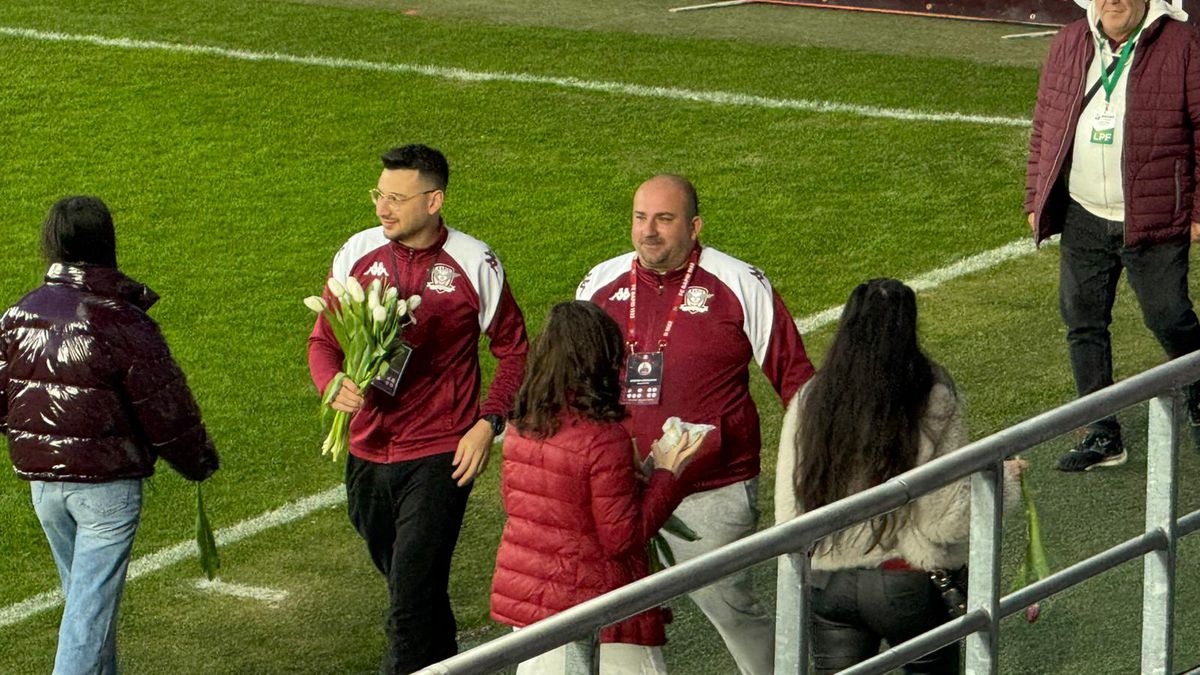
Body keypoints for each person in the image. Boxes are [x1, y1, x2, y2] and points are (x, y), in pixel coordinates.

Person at [576, 174, 814, 675]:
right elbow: (574, 377)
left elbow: (795, 379)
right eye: (640, 218)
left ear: (694, 225)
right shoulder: (599, 284)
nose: (649, 232)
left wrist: (817, 465)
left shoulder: (739, 283)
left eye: (664, 219)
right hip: (621, 487)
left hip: (710, 488)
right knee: (613, 615)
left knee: (730, 608)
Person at [308, 144, 528, 674]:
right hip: (364, 448)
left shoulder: (475, 263)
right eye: (379, 195)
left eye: (396, 199)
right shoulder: (357, 253)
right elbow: (323, 342)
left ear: (434, 201)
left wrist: (487, 422)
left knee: (407, 605)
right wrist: (331, 381)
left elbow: (515, 350)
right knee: (417, 591)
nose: (383, 208)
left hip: (439, 453)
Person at [0, 195, 220, 675]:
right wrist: (198, 460)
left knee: (84, 605)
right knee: (88, 616)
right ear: (106, 243)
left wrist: (39, 441)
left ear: (52, 243)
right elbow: (165, 408)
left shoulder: (18, 314)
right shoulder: (124, 321)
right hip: (106, 491)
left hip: (44, 488)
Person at [775, 278, 1023, 674]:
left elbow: (789, 514)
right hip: (906, 584)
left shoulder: (810, 398)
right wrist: (1002, 481)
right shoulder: (932, 394)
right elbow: (946, 519)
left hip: (827, 583)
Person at [1025, 0, 1200, 471]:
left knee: (1168, 316)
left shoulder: (1183, 44)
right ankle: (1102, 434)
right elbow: (1045, 123)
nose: (1113, 1)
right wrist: (1034, 197)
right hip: (1083, 213)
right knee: (1082, 320)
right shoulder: (1069, 42)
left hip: (1153, 214)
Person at [491, 301, 703, 674]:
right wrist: (667, 475)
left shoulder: (522, 423)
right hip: (597, 614)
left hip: (532, 606)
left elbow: (538, 505)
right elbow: (621, 537)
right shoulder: (603, 437)